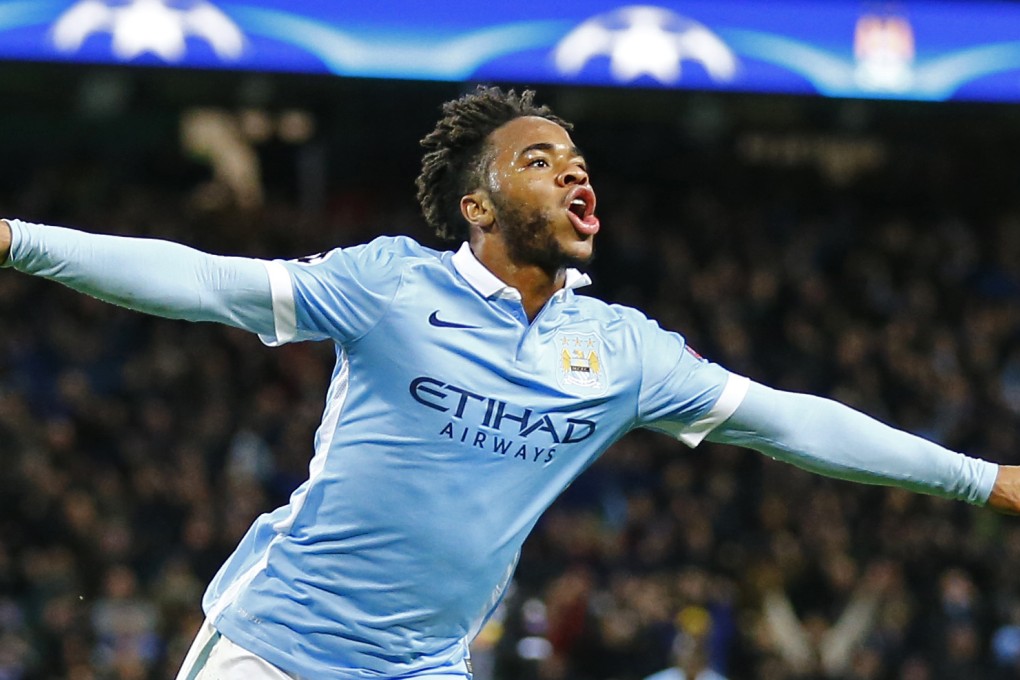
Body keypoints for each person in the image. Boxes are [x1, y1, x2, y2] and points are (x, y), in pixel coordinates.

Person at [1, 86, 1018, 680]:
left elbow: (790, 420)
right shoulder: (391, 285)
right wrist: (17, 240)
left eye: (578, 161)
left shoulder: (623, 350)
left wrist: (982, 476)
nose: (576, 175)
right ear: (479, 207)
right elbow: (203, 282)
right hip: (277, 649)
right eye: (541, 161)